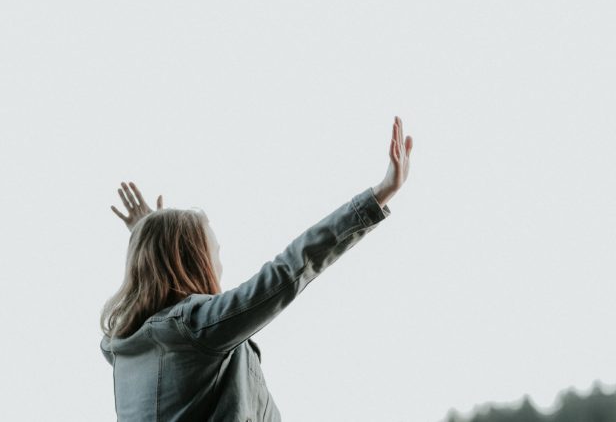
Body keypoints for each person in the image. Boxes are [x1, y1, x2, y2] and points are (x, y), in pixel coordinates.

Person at [100, 116, 414, 421]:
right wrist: (379, 196)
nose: (220, 266)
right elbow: (292, 266)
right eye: (215, 253)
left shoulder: (123, 349)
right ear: (194, 261)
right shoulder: (200, 327)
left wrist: (150, 236)